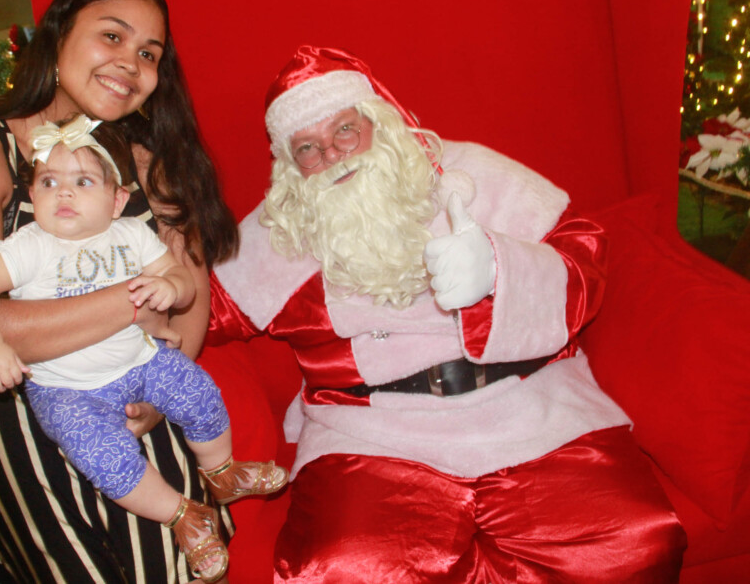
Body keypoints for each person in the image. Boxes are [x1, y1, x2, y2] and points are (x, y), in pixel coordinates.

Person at [207, 45, 688, 582]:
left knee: (636, 543)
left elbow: (583, 256)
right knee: (341, 570)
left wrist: (499, 270)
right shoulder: (282, 229)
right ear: (290, 166)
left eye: (345, 130)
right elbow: (195, 308)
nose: (334, 156)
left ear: (378, 122)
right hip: (375, 434)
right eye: (308, 148)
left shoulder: (470, 172)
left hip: (531, 406)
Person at [0, 0, 240, 583]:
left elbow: (191, 297)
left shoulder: (150, 163)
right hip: (24, 425)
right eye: (112, 36)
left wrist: (157, 399)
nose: (131, 62)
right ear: (58, 35)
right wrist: (134, 305)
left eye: (149, 53)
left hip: (141, 407)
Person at [0, 116, 287, 583]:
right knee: (105, 459)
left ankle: (221, 472)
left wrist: (171, 288)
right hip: (67, 391)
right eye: (48, 182)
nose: (63, 193)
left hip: (141, 362)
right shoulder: (29, 246)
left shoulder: (131, 234)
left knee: (197, 391)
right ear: (32, 194)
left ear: (116, 201)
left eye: (82, 182)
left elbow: (180, 277)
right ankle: (184, 516)